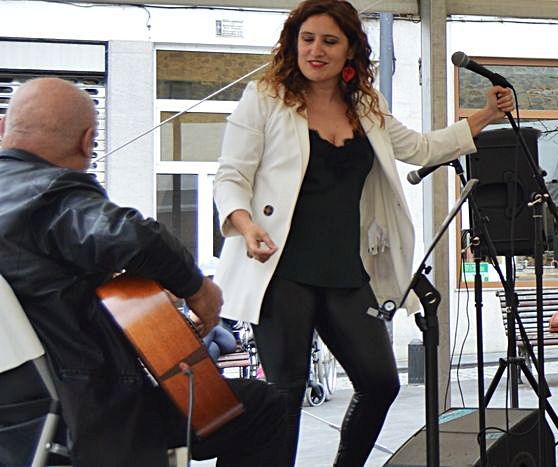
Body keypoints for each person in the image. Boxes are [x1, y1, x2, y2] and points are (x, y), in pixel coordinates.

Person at [210, 1, 516, 462]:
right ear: (293, 43)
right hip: (279, 269)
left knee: (380, 382)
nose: (316, 50)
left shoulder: (367, 106)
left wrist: (485, 115)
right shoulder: (266, 96)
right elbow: (230, 176)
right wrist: (246, 224)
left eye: (330, 41)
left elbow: (420, 147)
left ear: (350, 49)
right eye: (307, 39)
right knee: (285, 394)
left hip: (346, 270)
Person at [0, 77, 296, 465]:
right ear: (88, 141)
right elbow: (133, 237)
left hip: (18, 426)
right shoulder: (53, 195)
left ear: (5, 128)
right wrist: (199, 289)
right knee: (266, 407)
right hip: (90, 417)